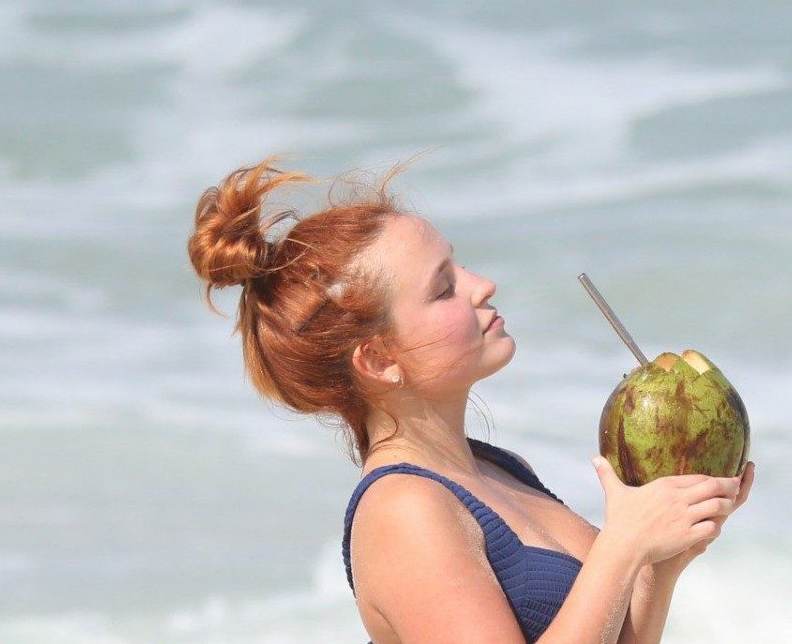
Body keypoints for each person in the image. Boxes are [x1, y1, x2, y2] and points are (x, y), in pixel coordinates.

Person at [187, 154, 756, 644]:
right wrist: (622, 548)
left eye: (458, 264)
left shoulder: (499, 471)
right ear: (381, 359)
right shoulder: (403, 511)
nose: (481, 284)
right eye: (443, 287)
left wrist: (662, 560)